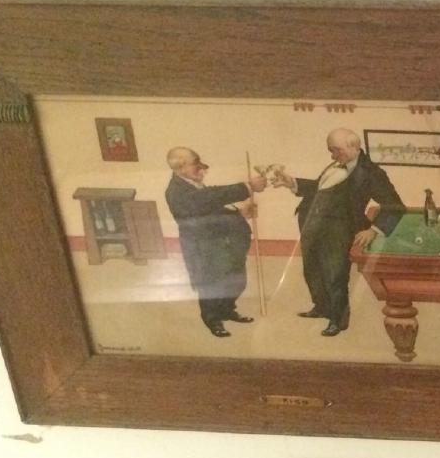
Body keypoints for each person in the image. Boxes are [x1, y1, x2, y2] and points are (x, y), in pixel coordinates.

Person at [272, 128, 405, 336]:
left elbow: (395, 206)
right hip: (311, 226)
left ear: (353, 146)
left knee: (335, 275)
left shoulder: (371, 172)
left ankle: (338, 319)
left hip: (340, 231)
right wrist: (292, 183)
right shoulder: (336, 165)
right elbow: (319, 188)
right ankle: (321, 307)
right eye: (331, 151)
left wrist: (374, 230)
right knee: (312, 270)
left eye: (336, 150)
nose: (333, 156)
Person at [165, 147, 267, 337]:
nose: (202, 169)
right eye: (196, 164)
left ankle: (227, 310)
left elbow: (211, 209)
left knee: (236, 281)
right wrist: (247, 187)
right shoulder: (177, 191)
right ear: (180, 167)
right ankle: (212, 319)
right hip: (203, 247)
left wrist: (239, 212)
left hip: (223, 244)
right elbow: (209, 198)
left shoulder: (194, 184)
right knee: (211, 285)